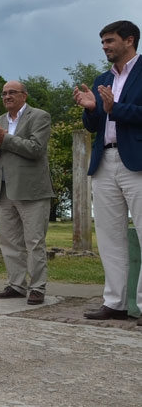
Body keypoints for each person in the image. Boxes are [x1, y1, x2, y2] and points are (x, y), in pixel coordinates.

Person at [73, 20, 142, 323]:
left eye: (110, 41)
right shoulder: (103, 78)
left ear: (129, 40)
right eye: (102, 42)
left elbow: (126, 113)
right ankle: (114, 302)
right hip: (105, 162)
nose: (105, 47)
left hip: (137, 161)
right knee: (109, 237)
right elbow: (95, 126)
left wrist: (116, 108)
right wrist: (91, 109)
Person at [0, 81, 54, 305]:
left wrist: (4, 139)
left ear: (24, 95)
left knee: (34, 242)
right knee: (10, 242)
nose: (7, 96)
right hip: (4, 191)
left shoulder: (39, 116)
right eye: (4, 93)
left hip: (31, 190)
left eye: (12, 92)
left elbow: (36, 149)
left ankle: (37, 287)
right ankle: (16, 284)